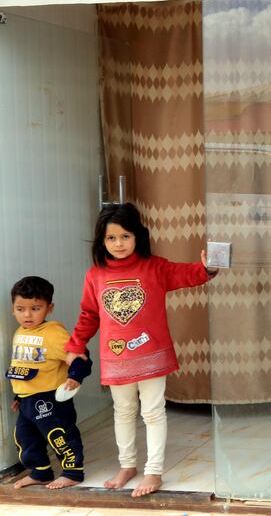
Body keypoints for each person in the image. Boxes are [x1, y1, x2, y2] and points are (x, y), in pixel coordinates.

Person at [65, 202, 218, 497]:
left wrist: (206, 268)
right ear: (102, 241)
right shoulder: (95, 275)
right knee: (122, 412)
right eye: (111, 238)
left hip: (152, 356)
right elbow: (89, 314)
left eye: (125, 236)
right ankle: (127, 465)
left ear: (138, 236)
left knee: (153, 412)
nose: (118, 244)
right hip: (116, 359)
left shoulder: (155, 267)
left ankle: (153, 471)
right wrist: (76, 344)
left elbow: (187, 274)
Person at [8, 276, 92, 489]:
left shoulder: (54, 334)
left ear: (49, 308)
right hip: (27, 401)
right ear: (13, 309)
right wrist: (19, 395)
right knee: (26, 438)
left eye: (35, 308)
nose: (27, 314)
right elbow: (26, 366)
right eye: (20, 308)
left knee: (59, 435)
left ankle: (73, 472)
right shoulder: (20, 332)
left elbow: (81, 356)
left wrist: (75, 376)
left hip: (50, 399)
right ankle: (41, 472)